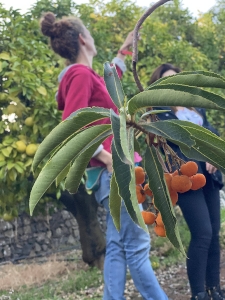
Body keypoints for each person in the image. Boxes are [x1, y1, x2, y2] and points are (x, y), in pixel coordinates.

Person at [40, 13, 169, 300]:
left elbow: (111, 82)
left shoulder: (86, 76)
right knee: (136, 245)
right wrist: (108, 157)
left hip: (114, 172)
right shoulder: (80, 74)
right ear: (84, 39)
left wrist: (125, 49)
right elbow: (71, 125)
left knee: (118, 245)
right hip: (117, 172)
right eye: (92, 34)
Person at [149, 63, 225, 300]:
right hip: (186, 179)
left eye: (177, 78)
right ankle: (198, 293)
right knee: (202, 233)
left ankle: (215, 290)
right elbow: (163, 141)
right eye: (168, 80)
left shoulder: (196, 109)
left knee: (213, 234)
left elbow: (213, 135)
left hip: (208, 177)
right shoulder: (159, 112)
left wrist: (214, 155)